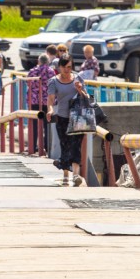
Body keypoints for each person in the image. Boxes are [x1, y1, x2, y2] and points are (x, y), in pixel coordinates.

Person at [46, 56, 86, 187]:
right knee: (65, 146)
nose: (67, 70)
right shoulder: (54, 81)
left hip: (78, 117)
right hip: (62, 117)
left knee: (76, 146)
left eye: (69, 67)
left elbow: (86, 97)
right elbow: (51, 99)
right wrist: (50, 110)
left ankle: (75, 175)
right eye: (64, 67)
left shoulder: (78, 78)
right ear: (59, 67)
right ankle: (65, 175)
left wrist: (80, 90)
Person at [27, 54, 56, 154]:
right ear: (48, 61)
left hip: (34, 100)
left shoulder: (32, 71)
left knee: (34, 124)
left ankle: (33, 146)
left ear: (38, 61)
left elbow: (28, 83)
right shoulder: (51, 72)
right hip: (47, 101)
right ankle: (47, 146)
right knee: (47, 124)